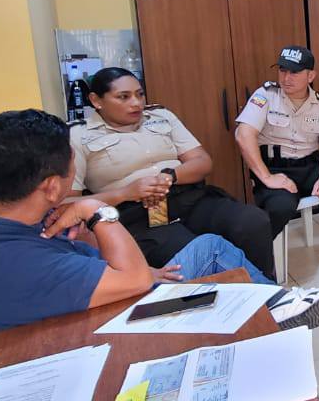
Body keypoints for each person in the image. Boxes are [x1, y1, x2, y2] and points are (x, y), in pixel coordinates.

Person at [0, 110, 319, 338]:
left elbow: (87, 253)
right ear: (53, 186)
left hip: (98, 294)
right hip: (100, 328)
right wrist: (98, 210)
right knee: (210, 261)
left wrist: (138, 268)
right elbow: (128, 279)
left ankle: (276, 307)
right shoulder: (14, 260)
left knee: (212, 245)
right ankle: (276, 326)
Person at [69, 68, 278, 282]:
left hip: (187, 198)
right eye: (123, 97)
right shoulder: (78, 135)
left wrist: (169, 176)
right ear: (96, 100)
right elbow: (68, 203)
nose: (136, 103)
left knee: (252, 222)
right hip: (136, 215)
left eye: (140, 94)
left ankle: (264, 289)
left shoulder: (161, 117)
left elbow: (203, 161)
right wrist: (125, 193)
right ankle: (259, 296)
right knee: (193, 250)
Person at [234, 45, 319, 256]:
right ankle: (259, 256)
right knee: (280, 208)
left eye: (294, 72)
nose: (286, 78)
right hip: (275, 169)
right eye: (282, 70)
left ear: (311, 76)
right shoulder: (266, 95)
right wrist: (267, 178)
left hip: (310, 166)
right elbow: (243, 135)